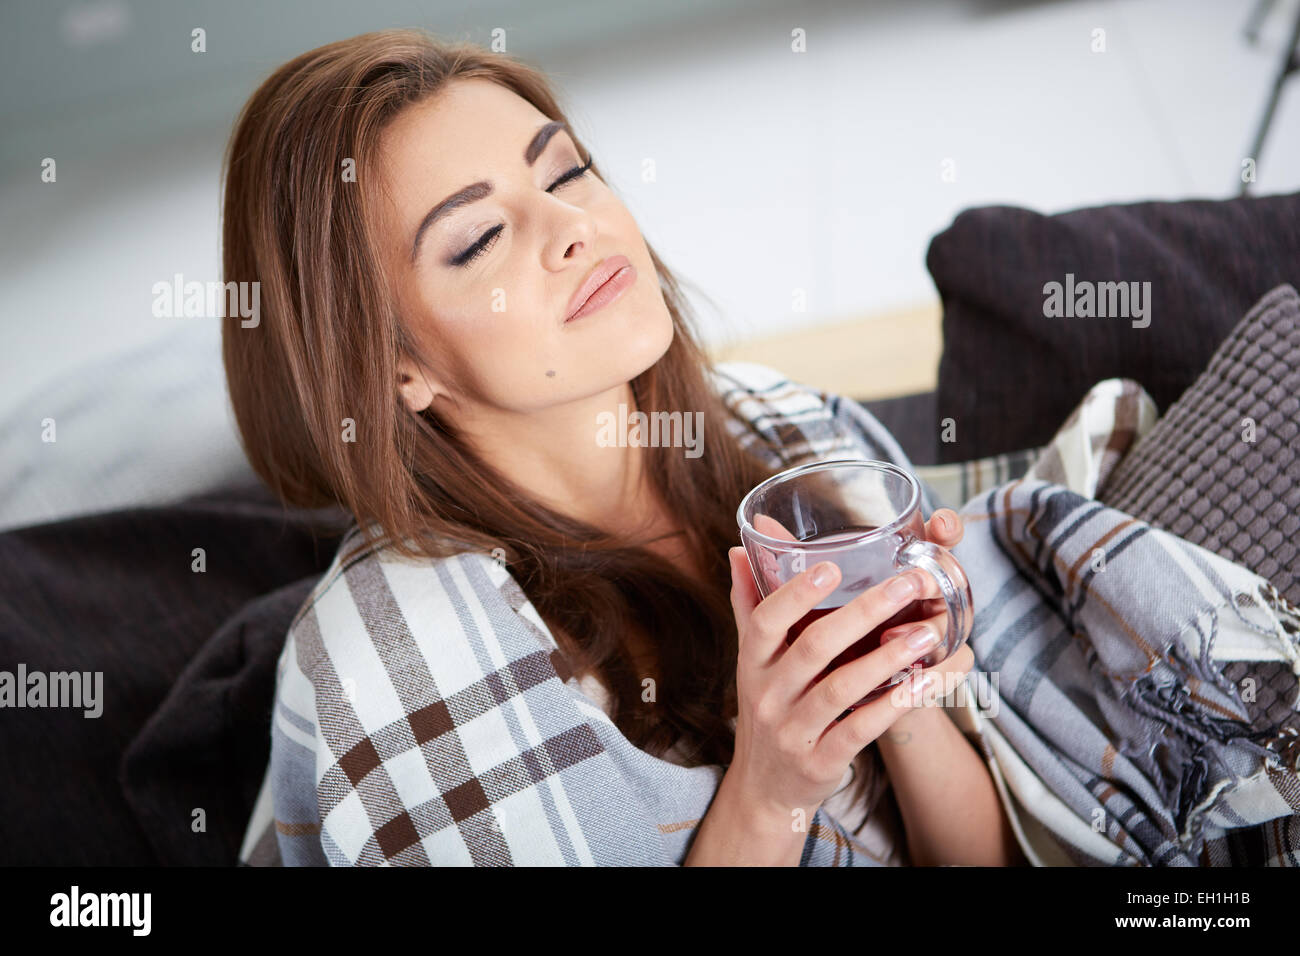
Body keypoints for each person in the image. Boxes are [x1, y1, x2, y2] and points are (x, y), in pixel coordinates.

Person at [224, 28, 1025, 866]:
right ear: (394, 371)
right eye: (478, 238)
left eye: (565, 172)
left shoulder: (778, 428)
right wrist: (770, 791)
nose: (573, 225)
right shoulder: (402, 659)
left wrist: (897, 680)